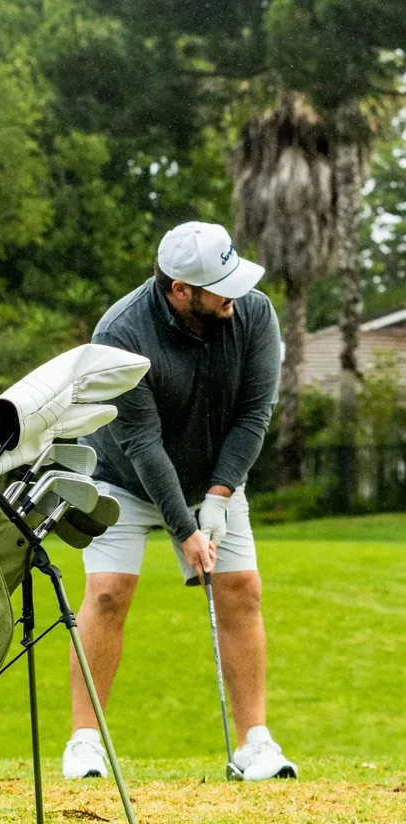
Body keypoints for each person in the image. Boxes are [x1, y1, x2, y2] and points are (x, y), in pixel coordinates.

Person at [63, 221, 296, 782]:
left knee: (241, 589)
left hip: (215, 475)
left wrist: (218, 496)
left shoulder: (255, 314)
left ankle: (255, 745)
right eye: (220, 288)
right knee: (108, 593)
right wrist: (185, 531)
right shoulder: (120, 332)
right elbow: (141, 442)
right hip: (122, 475)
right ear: (179, 291)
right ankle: (85, 742)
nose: (233, 297)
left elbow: (253, 415)